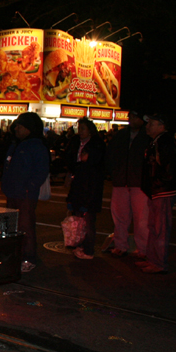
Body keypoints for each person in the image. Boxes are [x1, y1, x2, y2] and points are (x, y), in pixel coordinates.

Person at [1, 112, 50, 272]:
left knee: (25, 225)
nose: (16, 129)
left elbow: (41, 170)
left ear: (29, 128)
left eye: (20, 126)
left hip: (25, 194)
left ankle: (28, 257)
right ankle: (15, 255)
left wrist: (30, 186)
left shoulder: (36, 146)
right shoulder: (16, 145)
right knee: (12, 225)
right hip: (13, 192)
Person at [136, 113, 176, 273]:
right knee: (154, 226)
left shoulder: (164, 142)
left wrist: (157, 184)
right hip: (157, 190)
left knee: (159, 228)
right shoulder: (157, 141)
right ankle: (153, 259)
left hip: (162, 191)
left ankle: (159, 263)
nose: (147, 126)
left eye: (152, 123)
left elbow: (168, 168)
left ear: (162, 126)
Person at [105, 110, 149, 257]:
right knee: (120, 217)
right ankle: (120, 245)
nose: (131, 120)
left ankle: (142, 249)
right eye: (130, 117)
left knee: (141, 219)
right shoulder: (121, 136)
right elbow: (110, 155)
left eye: (135, 117)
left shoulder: (147, 136)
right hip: (121, 181)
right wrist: (114, 172)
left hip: (138, 183)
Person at [66, 117, 106, 260]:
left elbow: (96, 168)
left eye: (83, 128)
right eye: (79, 128)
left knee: (88, 220)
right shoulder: (76, 143)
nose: (80, 131)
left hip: (90, 184)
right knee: (78, 220)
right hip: (79, 182)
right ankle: (80, 245)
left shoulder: (96, 145)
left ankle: (88, 250)